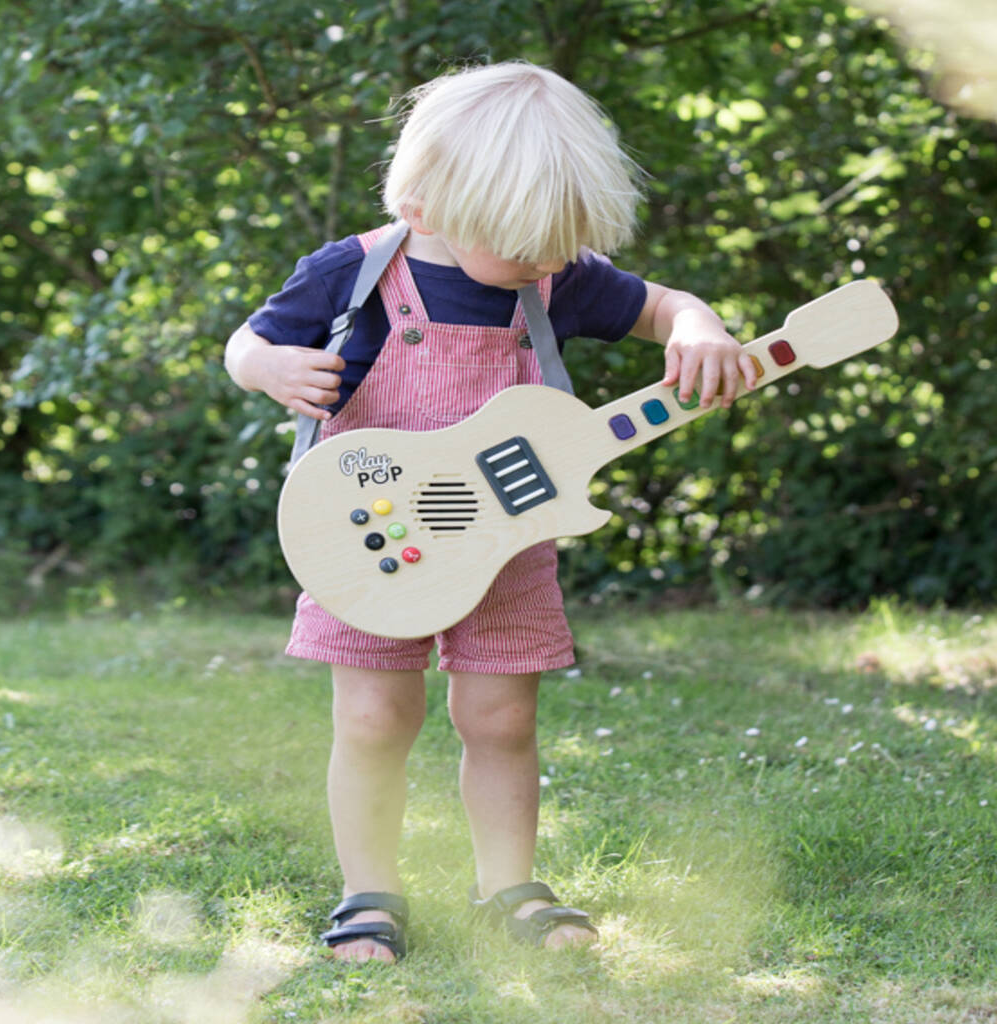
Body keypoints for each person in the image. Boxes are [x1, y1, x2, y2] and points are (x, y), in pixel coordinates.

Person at [224, 60, 758, 963]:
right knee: (372, 719)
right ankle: (369, 894)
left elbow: (664, 306)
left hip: (506, 556)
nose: (551, 262)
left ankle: (510, 888)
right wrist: (268, 367)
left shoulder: (555, 273)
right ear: (429, 207)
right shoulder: (351, 271)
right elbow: (249, 341)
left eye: (563, 245)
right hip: (371, 544)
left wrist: (698, 326)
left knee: (503, 719)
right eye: (533, 248)